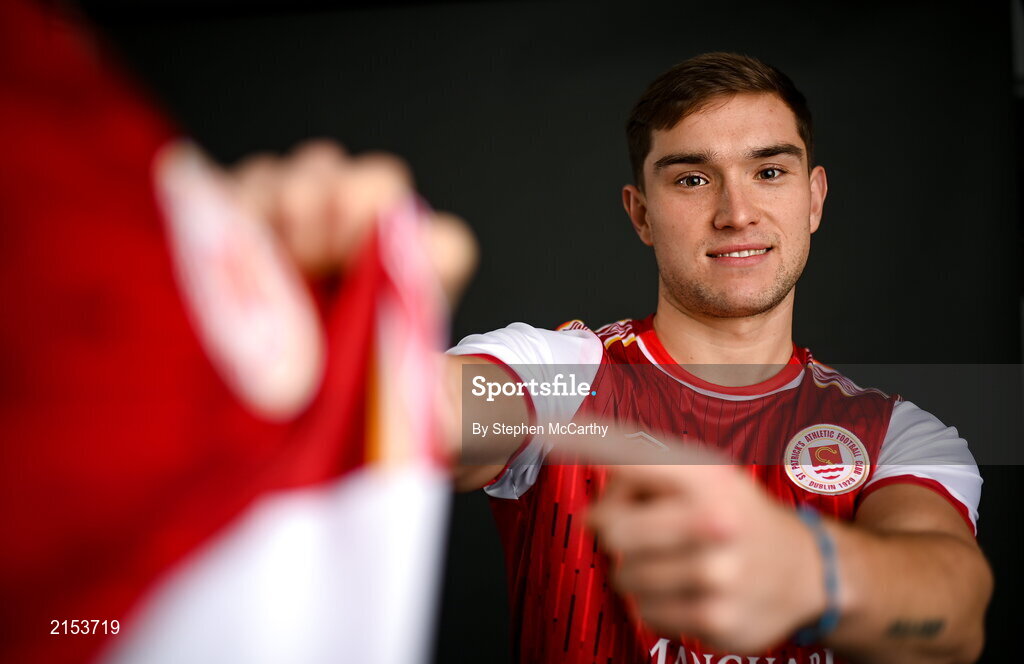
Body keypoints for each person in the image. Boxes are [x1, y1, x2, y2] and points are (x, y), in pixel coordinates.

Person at [446, 53, 992, 664]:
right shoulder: (560, 377)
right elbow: (439, 417)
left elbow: (953, 618)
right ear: (641, 213)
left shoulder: (893, 434)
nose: (736, 213)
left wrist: (811, 574)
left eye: (769, 172)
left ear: (814, 199)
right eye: (692, 179)